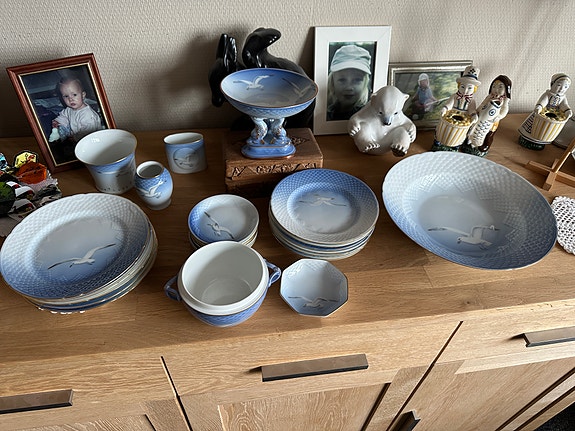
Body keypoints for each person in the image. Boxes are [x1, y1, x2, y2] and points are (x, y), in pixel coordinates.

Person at [519, 73, 572, 149]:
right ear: (552, 84)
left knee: (545, 131)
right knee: (533, 127)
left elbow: (564, 105)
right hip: (540, 114)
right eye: (559, 85)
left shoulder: (562, 97)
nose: (561, 89)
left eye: (565, 87)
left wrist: (568, 111)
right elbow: (543, 102)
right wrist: (539, 107)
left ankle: (539, 142)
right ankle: (526, 138)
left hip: (553, 116)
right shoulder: (547, 95)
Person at [463, 75, 512, 156]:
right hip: (480, 116)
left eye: (500, 87)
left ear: (507, 89)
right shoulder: (490, 97)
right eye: (494, 86)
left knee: (489, 134)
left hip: (492, 121)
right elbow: (483, 104)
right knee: (473, 128)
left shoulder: (504, 100)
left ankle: (485, 145)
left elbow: (504, 110)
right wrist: (477, 111)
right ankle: (469, 140)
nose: (496, 89)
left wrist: (499, 116)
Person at [49, 76, 103, 143]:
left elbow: (87, 132)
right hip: (76, 135)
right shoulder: (69, 109)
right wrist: (57, 121)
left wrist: (74, 138)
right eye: (66, 96)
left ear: (83, 95)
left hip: (92, 139)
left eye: (74, 95)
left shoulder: (87, 115)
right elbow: (64, 116)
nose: (70, 99)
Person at [326, 44, 372, 121]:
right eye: (342, 80)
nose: (349, 87)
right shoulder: (326, 112)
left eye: (357, 80)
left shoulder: (368, 114)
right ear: (332, 82)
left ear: (365, 83)